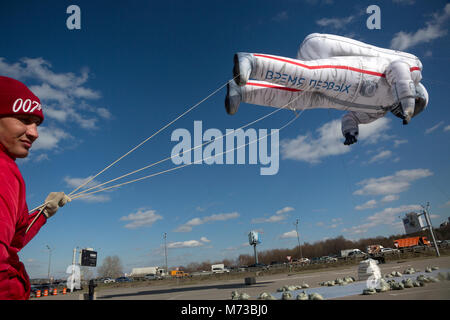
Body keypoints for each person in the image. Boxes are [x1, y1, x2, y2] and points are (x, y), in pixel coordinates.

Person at [225, 33, 429, 145]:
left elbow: (352, 118)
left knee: (297, 100)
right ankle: (252, 61)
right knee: (309, 77)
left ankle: (241, 91)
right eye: (412, 106)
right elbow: (398, 68)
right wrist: (407, 96)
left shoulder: (378, 111)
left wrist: (351, 132)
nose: (402, 111)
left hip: (332, 98)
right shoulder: (412, 72)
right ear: (416, 92)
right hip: (358, 72)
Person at [0, 76, 70, 300]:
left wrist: (44, 213)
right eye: (24, 119)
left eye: (36, 124)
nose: (34, 133)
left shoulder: (8, 167)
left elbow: (11, 242)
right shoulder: (3, 170)